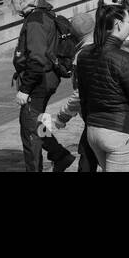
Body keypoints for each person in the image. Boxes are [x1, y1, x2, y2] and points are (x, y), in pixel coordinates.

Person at [72, 4, 129, 171]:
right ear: (117, 24)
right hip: (119, 130)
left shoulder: (85, 54)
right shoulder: (124, 58)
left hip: (94, 129)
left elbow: (84, 96)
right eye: (128, 21)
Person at [8, 0, 75, 172]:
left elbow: (36, 59)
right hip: (47, 79)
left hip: (39, 82)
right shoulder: (42, 14)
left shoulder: (36, 21)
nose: (11, 4)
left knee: (29, 129)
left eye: (12, 0)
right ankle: (60, 155)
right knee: (37, 122)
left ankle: (37, 167)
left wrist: (25, 89)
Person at [41, 13, 99, 172]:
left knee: (35, 123)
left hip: (34, 90)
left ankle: (57, 154)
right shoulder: (103, 46)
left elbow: (80, 94)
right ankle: (57, 153)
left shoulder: (83, 56)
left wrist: (62, 116)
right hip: (104, 116)